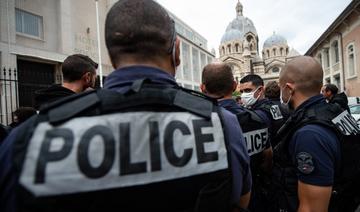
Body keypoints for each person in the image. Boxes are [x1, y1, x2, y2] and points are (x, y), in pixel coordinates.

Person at [0, 0, 251, 211]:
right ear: (176, 52)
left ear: (112, 56)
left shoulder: (29, 138)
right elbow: (240, 199)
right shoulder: (222, 125)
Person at [271, 56, 341, 212]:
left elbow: (311, 208)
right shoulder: (334, 111)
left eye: (281, 88)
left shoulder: (309, 135)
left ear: (289, 89)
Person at [201, 62, 272, 212]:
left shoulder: (200, 124)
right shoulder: (258, 119)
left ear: (202, 88)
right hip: (256, 196)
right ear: (234, 86)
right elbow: (268, 159)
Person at [34, 54, 98, 109]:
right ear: (88, 77)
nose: (94, 81)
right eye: (95, 78)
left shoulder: (44, 98)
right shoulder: (81, 107)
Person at [239, 75, 285, 147]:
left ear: (260, 90)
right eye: (242, 91)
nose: (243, 95)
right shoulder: (273, 106)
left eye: (247, 90)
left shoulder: (259, 113)